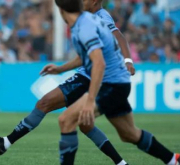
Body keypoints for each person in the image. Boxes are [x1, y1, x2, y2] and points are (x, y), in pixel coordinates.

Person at [0, 0, 135, 164]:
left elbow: (118, 36)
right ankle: (121, 163)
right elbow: (86, 56)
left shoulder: (101, 17)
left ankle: (6, 142)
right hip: (89, 75)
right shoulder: (88, 17)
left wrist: (128, 60)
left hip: (88, 78)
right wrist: (61, 69)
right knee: (85, 125)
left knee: (45, 103)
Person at [52, 0, 179, 164]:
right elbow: (86, 56)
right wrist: (61, 69)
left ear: (61, 10)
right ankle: (172, 160)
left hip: (111, 84)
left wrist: (90, 101)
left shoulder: (86, 24)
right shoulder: (84, 22)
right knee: (129, 134)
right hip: (118, 82)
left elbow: (99, 62)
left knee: (66, 120)